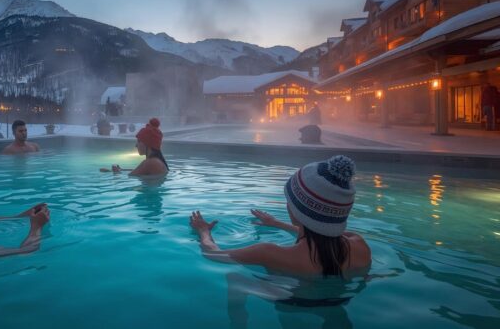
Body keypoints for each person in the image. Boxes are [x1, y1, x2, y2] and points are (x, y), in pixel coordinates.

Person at [190, 155, 370, 277]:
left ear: (296, 210)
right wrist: (277, 224)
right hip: (338, 304)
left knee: (235, 279)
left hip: (292, 307)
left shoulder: (269, 253)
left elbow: (214, 254)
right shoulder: (359, 244)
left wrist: (204, 231)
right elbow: (321, 232)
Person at [101, 117, 168, 176]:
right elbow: (139, 170)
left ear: (147, 144)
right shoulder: (156, 161)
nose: (136, 145)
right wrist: (121, 170)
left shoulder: (150, 163)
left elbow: (130, 177)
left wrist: (113, 172)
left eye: (139, 141)